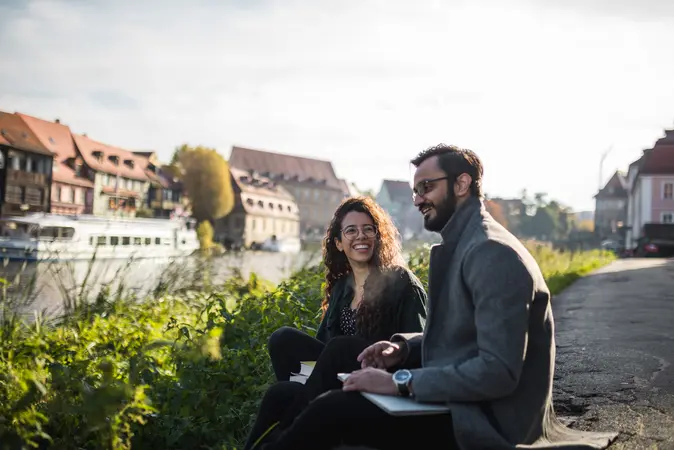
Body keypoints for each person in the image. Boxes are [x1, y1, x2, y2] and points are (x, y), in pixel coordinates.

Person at [254, 144, 619, 450]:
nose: (417, 199)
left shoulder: (492, 253)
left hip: (486, 420)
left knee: (331, 409)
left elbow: (499, 372)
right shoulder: (465, 244)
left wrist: (400, 382)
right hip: (459, 398)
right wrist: (402, 348)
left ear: (462, 184)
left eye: (426, 187)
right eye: (415, 190)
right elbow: (458, 338)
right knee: (285, 395)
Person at [244, 196, 427, 450]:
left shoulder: (400, 282)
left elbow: (418, 347)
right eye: (351, 230)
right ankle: (296, 414)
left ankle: (288, 433)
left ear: (378, 236)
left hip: (379, 374)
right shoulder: (343, 287)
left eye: (368, 229)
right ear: (339, 243)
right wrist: (311, 378)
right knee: (282, 355)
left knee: (341, 347)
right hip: (336, 373)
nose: (360, 236)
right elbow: (323, 348)